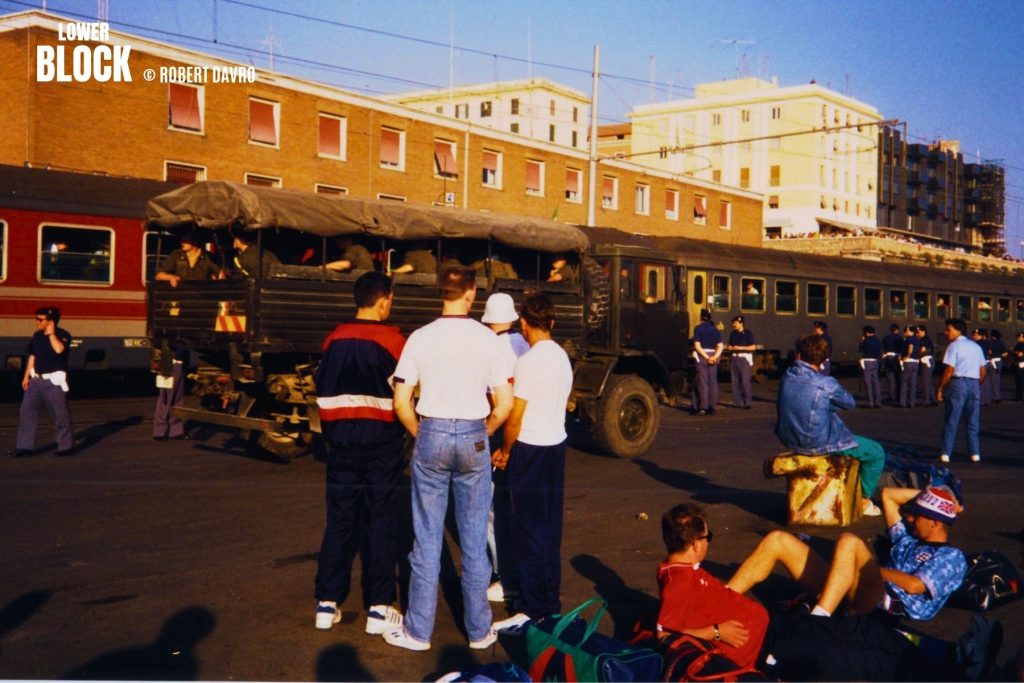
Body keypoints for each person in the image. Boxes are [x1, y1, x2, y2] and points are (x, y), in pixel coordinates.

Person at [384, 265, 514, 651]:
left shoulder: (420, 338)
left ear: (440, 292)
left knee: (426, 535)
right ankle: (479, 630)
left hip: (432, 431)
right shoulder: (488, 340)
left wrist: (419, 432)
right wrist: (483, 433)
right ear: (471, 293)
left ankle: (418, 631)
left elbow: (401, 401)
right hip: (474, 433)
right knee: (474, 535)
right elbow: (504, 404)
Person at [312, 271, 406, 636]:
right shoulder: (394, 342)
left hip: (340, 447)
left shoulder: (332, 340)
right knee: (380, 521)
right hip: (382, 445)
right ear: (384, 300)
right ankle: (379, 608)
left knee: (339, 521)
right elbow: (404, 395)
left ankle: (327, 602)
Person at [728, 486, 967, 622]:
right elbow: (888, 496)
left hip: (887, 604)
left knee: (849, 541)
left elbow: (915, 586)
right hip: (854, 586)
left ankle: (819, 619)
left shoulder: (951, 556)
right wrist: (940, 497)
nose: (910, 518)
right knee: (778, 540)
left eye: (918, 515)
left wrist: (866, 571)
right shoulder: (907, 539)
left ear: (936, 523)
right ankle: (723, 599)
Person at [490, 292, 574, 633]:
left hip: (529, 449)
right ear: (551, 322)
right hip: (556, 447)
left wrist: (506, 452)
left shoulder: (528, 362)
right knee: (549, 530)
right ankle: (548, 603)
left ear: (523, 323)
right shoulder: (562, 357)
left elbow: (515, 417)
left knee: (526, 531)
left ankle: (528, 608)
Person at [775, 334, 884, 517]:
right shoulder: (825, 383)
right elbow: (849, 403)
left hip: (788, 438)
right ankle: (863, 499)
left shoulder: (786, 377)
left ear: (799, 355)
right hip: (817, 443)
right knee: (875, 452)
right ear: (824, 359)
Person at [655, 503, 769, 670]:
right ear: (696, 544)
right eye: (707, 537)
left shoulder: (685, 569)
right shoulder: (679, 583)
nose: (708, 542)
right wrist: (716, 632)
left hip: (764, 636)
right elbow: (665, 635)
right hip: (759, 650)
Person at [480, 293, 529, 604]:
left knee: (491, 508)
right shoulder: (525, 344)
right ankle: (521, 572)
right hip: (528, 433)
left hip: (500, 432)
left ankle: (506, 576)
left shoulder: (491, 347)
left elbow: (493, 399)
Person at [10, 307, 75, 457]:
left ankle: (65, 447)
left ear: (50, 321)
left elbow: (59, 350)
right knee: (27, 412)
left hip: (54, 382)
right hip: (36, 381)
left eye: (40, 319)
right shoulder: (37, 336)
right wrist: (26, 376)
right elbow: (33, 356)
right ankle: (24, 447)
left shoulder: (63, 335)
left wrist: (51, 334)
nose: (36, 322)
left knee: (60, 415)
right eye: (36, 319)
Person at [937, 319, 986, 464]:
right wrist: (977, 383)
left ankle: (946, 453)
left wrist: (940, 388)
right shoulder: (976, 346)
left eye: (948, 330)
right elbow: (983, 371)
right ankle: (975, 453)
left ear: (958, 330)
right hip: (974, 384)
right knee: (973, 421)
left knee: (951, 420)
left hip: (958, 383)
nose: (946, 333)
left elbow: (949, 370)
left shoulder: (954, 346)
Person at [154, 231, 223, 287]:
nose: (182, 242)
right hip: (182, 298)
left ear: (195, 241)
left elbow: (222, 275)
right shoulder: (176, 255)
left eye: (185, 240)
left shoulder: (208, 257)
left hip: (203, 298)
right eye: (182, 239)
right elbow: (158, 276)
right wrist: (170, 277)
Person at [691, 309, 722, 416]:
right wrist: (714, 357)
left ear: (701, 318)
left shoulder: (698, 328)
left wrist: (706, 357)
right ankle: (712, 407)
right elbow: (720, 346)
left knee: (703, 382)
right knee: (713, 382)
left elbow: (697, 346)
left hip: (702, 356)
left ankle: (703, 407)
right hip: (713, 354)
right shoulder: (715, 330)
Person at [727, 315, 756, 409]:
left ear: (741, 323)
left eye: (735, 323)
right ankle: (736, 402)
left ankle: (748, 402)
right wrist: (730, 348)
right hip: (734, 358)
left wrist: (741, 348)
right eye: (733, 323)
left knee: (745, 381)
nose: (733, 325)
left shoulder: (748, 333)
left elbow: (753, 347)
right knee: (734, 381)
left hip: (744, 358)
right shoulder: (733, 333)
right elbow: (729, 345)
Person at [858, 325, 882, 408]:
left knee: (868, 382)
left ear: (866, 332)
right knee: (876, 382)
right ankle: (878, 402)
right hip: (875, 361)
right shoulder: (878, 340)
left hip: (867, 362)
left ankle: (870, 402)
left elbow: (860, 350)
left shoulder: (866, 341)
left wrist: (862, 341)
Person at [881, 324, 903, 405]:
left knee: (890, 378)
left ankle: (891, 395)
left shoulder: (886, 338)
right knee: (897, 378)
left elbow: (883, 347)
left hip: (888, 357)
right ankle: (898, 395)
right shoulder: (900, 338)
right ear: (897, 330)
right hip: (897, 357)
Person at [900, 325, 921, 408]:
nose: (905, 333)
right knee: (913, 383)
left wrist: (907, 356)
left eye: (906, 331)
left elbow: (910, 347)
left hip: (908, 362)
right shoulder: (917, 339)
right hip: (915, 362)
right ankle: (912, 402)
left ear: (909, 330)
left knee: (904, 382)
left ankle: (903, 402)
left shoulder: (909, 339)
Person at [972, 329, 993, 406]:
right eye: (974, 335)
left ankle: (980, 400)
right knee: (986, 382)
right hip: (987, 363)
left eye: (976, 335)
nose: (974, 336)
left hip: (980, 364)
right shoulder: (987, 343)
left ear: (981, 335)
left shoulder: (976, 344)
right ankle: (987, 400)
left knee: (980, 382)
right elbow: (990, 352)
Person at [916, 326, 936, 407]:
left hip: (926, 360)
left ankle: (926, 400)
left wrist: (915, 355)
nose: (917, 334)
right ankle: (932, 399)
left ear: (923, 331)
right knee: (929, 381)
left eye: (918, 332)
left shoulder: (925, 340)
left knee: (925, 382)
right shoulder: (926, 339)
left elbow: (922, 350)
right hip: (929, 361)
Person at [987, 329, 1006, 403]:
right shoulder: (1001, 343)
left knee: (992, 380)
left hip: (992, 361)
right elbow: (1004, 353)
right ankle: (996, 396)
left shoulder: (991, 343)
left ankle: (995, 397)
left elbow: (989, 352)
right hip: (999, 361)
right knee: (996, 380)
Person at [1014, 332, 1024, 402]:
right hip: (1018, 363)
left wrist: (1022, 354)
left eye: (1020, 337)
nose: (1019, 338)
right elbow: (1014, 351)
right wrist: (1016, 353)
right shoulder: (1017, 344)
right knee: (1018, 381)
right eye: (1018, 337)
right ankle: (1018, 396)